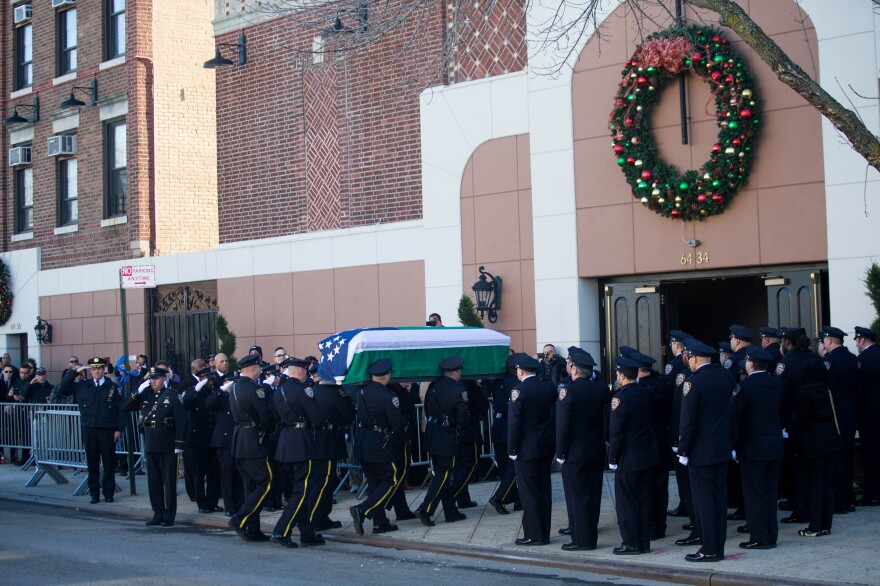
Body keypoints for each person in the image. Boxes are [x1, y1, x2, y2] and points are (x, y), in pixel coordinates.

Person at [677, 338, 735, 562]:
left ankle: (709, 548)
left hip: (701, 451)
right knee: (719, 498)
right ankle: (716, 546)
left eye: (689, 358)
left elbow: (688, 421)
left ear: (694, 358)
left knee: (704, 501)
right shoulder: (725, 376)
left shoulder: (694, 382)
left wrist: (683, 450)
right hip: (721, 447)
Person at [729, 347, 784, 549]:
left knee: (754, 495)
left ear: (750, 364)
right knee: (770, 493)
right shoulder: (777, 383)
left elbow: (734, 418)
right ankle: (770, 535)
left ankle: (759, 537)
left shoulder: (745, 387)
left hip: (752, 448)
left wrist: (733, 446)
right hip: (774, 445)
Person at [555, 352, 608, 551]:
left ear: (575, 369)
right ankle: (590, 536)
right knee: (593, 496)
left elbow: (562, 426)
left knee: (577, 497)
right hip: (596, 450)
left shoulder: (568, 391)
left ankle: (581, 540)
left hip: (575, 453)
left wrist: (560, 453)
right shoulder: (601, 389)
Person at [271, 357, 326, 547]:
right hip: (301, 443)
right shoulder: (304, 390)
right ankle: (281, 530)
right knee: (301, 492)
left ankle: (307, 533)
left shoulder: (279, 391)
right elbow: (317, 418)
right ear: (301, 372)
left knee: (298, 489)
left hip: (285, 443)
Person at [57, 357, 127, 503]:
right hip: (89, 429)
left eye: (99, 368)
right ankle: (94, 494)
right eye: (93, 369)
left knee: (108, 463)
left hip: (107, 429)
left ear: (103, 369)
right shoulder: (82, 385)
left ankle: (108, 493)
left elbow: (121, 409)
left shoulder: (112, 386)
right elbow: (62, 387)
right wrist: (75, 371)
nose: (96, 371)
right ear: (90, 371)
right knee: (92, 463)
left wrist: (120, 429)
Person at [350, 359, 408, 535]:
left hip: (362, 441)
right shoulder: (389, 396)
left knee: (375, 483)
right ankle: (363, 510)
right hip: (379, 443)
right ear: (387, 375)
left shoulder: (362, 392)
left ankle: (380, 522)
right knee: (390, 479)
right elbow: (396, 424)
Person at [608, 356, 659, 555]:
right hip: (647, 453)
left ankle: (631, 542)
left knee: (627, 502)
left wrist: (612, 458)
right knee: (644, 500)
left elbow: (616, 432)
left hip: (629, 457)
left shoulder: (620, 398)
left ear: (621, 375)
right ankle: (643, 540)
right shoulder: (645, 393)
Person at [125, 366, 186, 526]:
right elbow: (126, 406)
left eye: (156, 378)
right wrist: (138, 390)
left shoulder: (173, 396)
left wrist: (179, 443)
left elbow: (181, 421)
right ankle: (157, 513)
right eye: (151, 379)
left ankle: (169, 515)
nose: (152, 381)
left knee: (169, 482)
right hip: (151, 442)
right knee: (154, 481)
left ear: (164, 378)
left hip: (168, 443)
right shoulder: (145, 394)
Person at [228, 353, 277, 542]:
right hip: (253, 441)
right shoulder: (255, 390)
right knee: (266, 481)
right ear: (254, 369)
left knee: (250, 486)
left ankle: (253, 528)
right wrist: (270, 428)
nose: (261, 371)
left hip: (239, 440)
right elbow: (265, 415)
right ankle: (240, 518)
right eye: (259, 368)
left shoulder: (234, 388)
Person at [509, 353, 556, 546]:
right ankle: (543, 533)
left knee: (529, 492)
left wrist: (512, 449)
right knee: (544, 489)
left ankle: (533, 534)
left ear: (520, 371)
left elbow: (515, 424)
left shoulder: (519, 391)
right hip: (545, 445)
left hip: (526, 448)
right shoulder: (548, 388)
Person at [416, 357, 470, 526]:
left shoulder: (433, 386)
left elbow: (427, 408)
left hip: (433, 433)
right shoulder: (458, 390)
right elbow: (463, 416)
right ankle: (425, 509)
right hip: (447, 435)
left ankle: (450, 511)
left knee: (442, 473)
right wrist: (461, 434)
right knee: (444, 474)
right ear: (455, 372)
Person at [794, 358, 842, 536]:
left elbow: (800, 421)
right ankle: (825, 524)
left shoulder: (805, 393)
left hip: (812, 444)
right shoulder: (829, 390)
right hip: (830, 442)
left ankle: (814, 526)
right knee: (826, 484)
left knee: (813, 486)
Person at [777, 327, 818, 523]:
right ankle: (811, 506)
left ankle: (800, 509)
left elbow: (782, 397)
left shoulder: (786, 363)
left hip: (794, 422)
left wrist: (782, 423)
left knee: (796, 469)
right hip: (815, 421)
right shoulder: (815, 358)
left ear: (787, 342)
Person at [818, 326, 859, 513]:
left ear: (828, 341)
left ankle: (840, 501)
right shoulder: (852, 359)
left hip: (836, 416)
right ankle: (849, 498)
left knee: (837, 461)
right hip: (851, 415)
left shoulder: (829, 361)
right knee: (848, 459)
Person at [181, 360, 222, 514]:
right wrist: (197, 388)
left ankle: (212, 501)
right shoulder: (194, 392)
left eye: (212, 379)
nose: (211, 382)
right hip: (197, 440)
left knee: (214, 473)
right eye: (207, 380)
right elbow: (186, 402)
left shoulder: (214, 391)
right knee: (199, 474)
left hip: (212, 438)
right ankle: (202, 503)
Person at [206, 366, 244, 517]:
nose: (233, 385)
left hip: (239, 440)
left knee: (239, 474)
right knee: (227, 474)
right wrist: (222, 388)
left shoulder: (238, 396)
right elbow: (209, 403)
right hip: (223, 441)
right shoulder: (220, 397)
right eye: (230, 383)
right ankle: (229, 506)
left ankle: (240, 503)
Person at [488, 355, 520, 514]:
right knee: (514, 466)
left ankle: (514, 498)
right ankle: (500, 497)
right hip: (510, 426)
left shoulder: (497, 382)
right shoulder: (516, 383)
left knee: (503, 466)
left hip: (499, 426)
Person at [666, 330, 693, 521]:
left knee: (685, 476)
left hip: (682, 429)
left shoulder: (677, 368)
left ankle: (687, 507)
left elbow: (674, 400)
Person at [450, 377, 487, 510]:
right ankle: (452, 494)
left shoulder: (454, 386)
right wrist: (479, 388)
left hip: (456, 431)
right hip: (469, 430)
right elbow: (482, 405)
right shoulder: (470, 386)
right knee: (470, 463)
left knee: (460, 465)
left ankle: (463, 499)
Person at [855, 326, 880, 506]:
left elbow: (858, 389)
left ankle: (873, 493)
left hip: (870, 415)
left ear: (862, 340)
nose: (856, 344)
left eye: (857, 341)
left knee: (871, 454)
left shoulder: (863, 360)